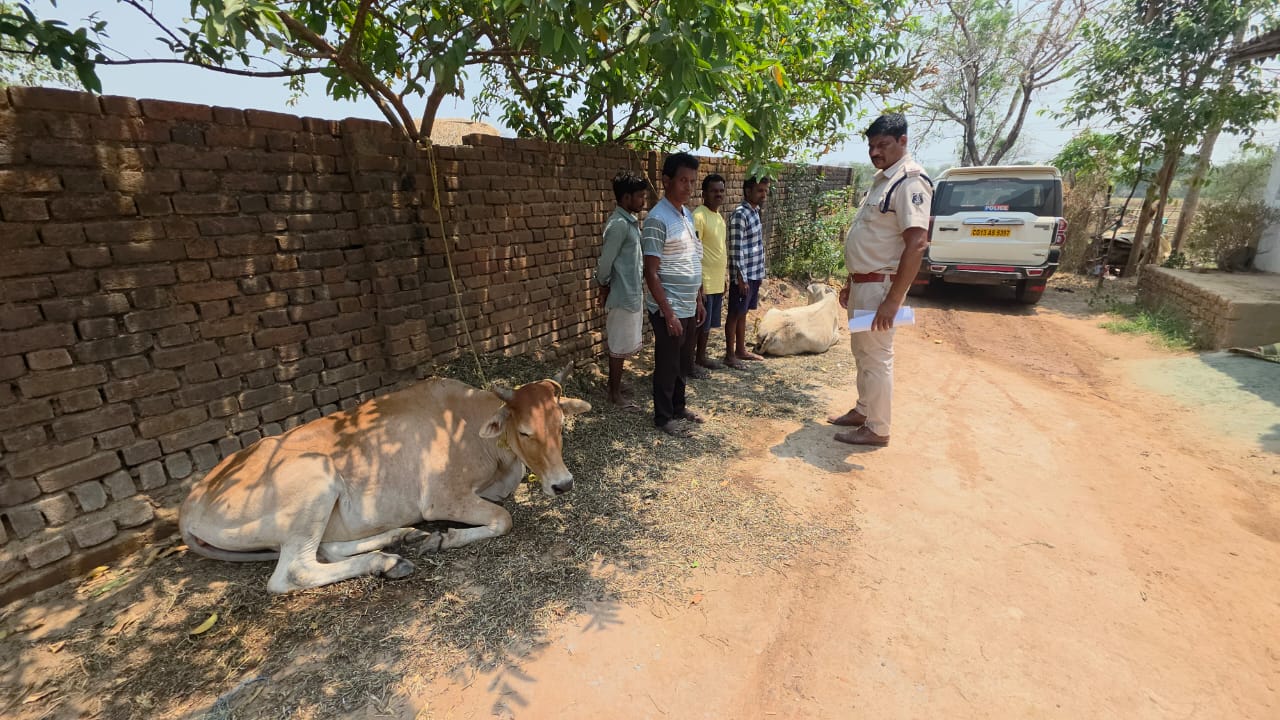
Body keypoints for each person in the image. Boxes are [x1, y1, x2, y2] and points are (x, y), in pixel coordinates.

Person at [827, 113, 932, 447]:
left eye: (883, 145)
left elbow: (916, 243)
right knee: (863, 353)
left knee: (877, 357)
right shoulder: (883, 179)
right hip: (864, 284)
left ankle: (878, 428)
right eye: (871, 146)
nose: (875, 152)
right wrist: (852, 280)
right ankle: (863, 410)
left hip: (880, 289)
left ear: (903, 141)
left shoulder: (909, 181)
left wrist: (893, 300)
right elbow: (872, 236)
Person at [642, 152, 707, 437]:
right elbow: (651, 273)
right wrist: (667, 312)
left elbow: (691, 258)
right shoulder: (657, 219)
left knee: (683, 361)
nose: (688, 186)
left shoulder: (686, 215)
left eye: (692, 181)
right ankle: (663, 416)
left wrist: (698, 299)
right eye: (682, 180)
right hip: (668, 307)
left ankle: (679, 406)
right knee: (667, 364)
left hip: (688, 305)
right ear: (666, 180)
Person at [594, 170, 650, 410]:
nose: (643, 201)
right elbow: (605, 263)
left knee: (624, 343)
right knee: (618, 345)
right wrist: (603, 284)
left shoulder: (629, 222)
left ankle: (615, 385)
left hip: (631, 293)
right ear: (626, 198)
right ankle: (614, 394)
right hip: (621, 294)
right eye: (639, 196)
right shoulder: (618, 225)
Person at [725, 175, 770, 369]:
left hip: (754, 273)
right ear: (748, 191)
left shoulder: (755, 212)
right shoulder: (740, 214)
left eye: (765, 191)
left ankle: (741, 350)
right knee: (735, 313)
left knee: (743, 313)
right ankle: (729, 355)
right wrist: (740, 278)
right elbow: (736, 248)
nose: (764, 195)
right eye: (760, 191)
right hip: (743, 275)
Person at [693, 173, 728, 375]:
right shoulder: (699, 216)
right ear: (704, 193)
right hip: (703, 282)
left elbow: (720, 250)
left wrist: (723, 278)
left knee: (706, 326)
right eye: (714, 191)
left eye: (721, 191)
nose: (718, 194)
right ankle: (690, 362)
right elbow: (695, 253)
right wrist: (700, 286)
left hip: (716, 281)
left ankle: (701, 357)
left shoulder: (718, 217)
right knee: (698, 326)